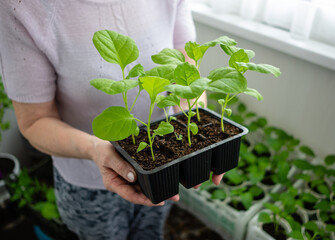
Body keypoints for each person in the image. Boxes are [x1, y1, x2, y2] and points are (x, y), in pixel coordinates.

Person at [0, 0, 224, 239]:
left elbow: (188, 74)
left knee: (150, 232)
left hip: (163, 164)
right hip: (87, 182)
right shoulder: (20, 7)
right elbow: (35, 121)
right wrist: (96, 149)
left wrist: (193, 127)